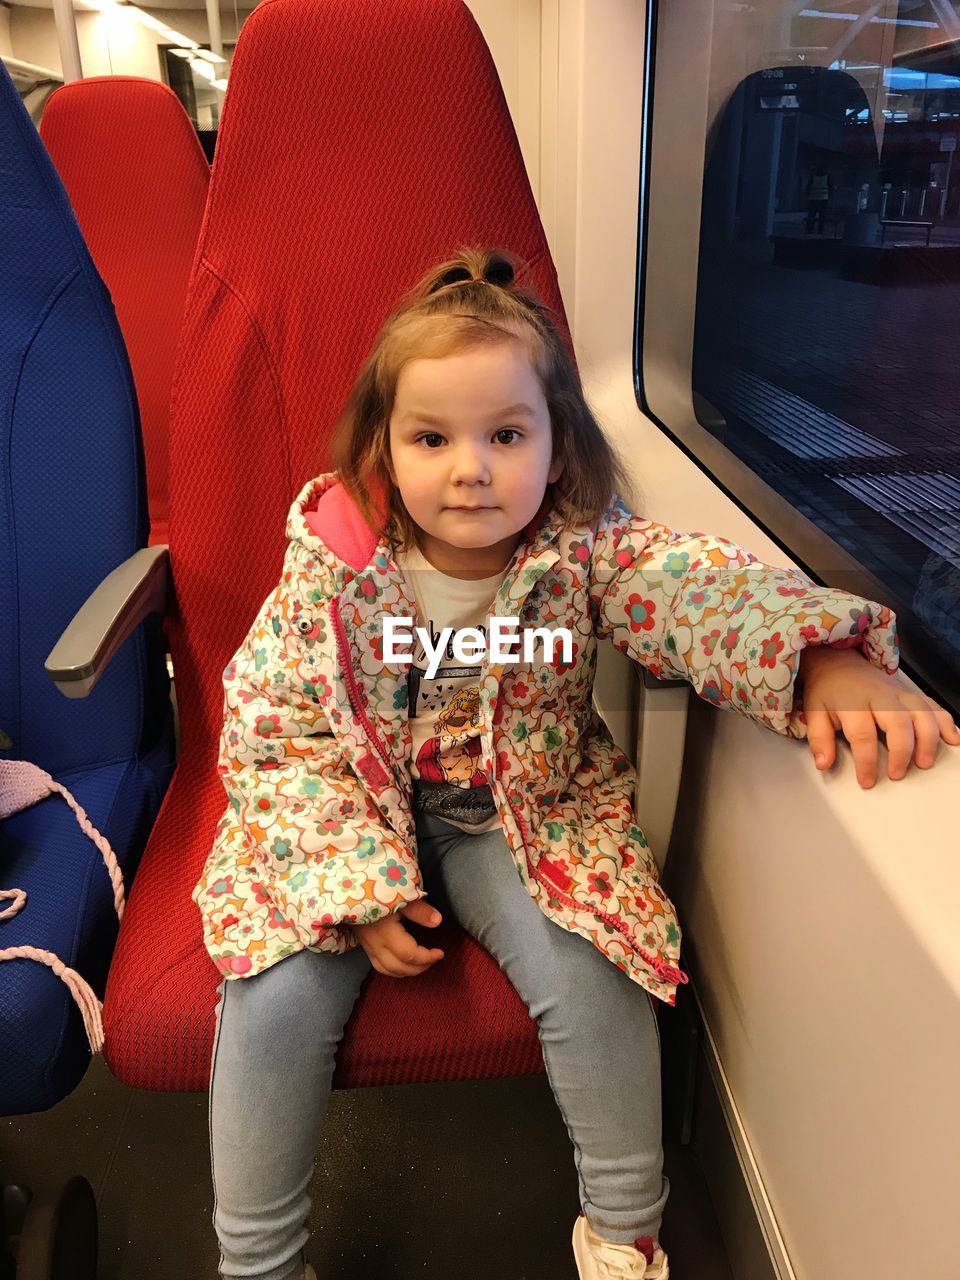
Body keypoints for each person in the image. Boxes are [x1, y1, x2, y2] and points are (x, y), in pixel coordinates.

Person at [193, 247, 959, 1280]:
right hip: (339, 806)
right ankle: (257, 1263)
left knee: (598, 965)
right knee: (272, 990)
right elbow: (275, 725)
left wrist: (814, 654)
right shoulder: (335, 561)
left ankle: (624, 1233)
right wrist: (354, 886)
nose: (471, 468)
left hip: (523, 809)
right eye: (433, 437)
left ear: (557, 448)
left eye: (506, 434)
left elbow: (695, 586)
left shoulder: (580, 549)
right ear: (384, 447)